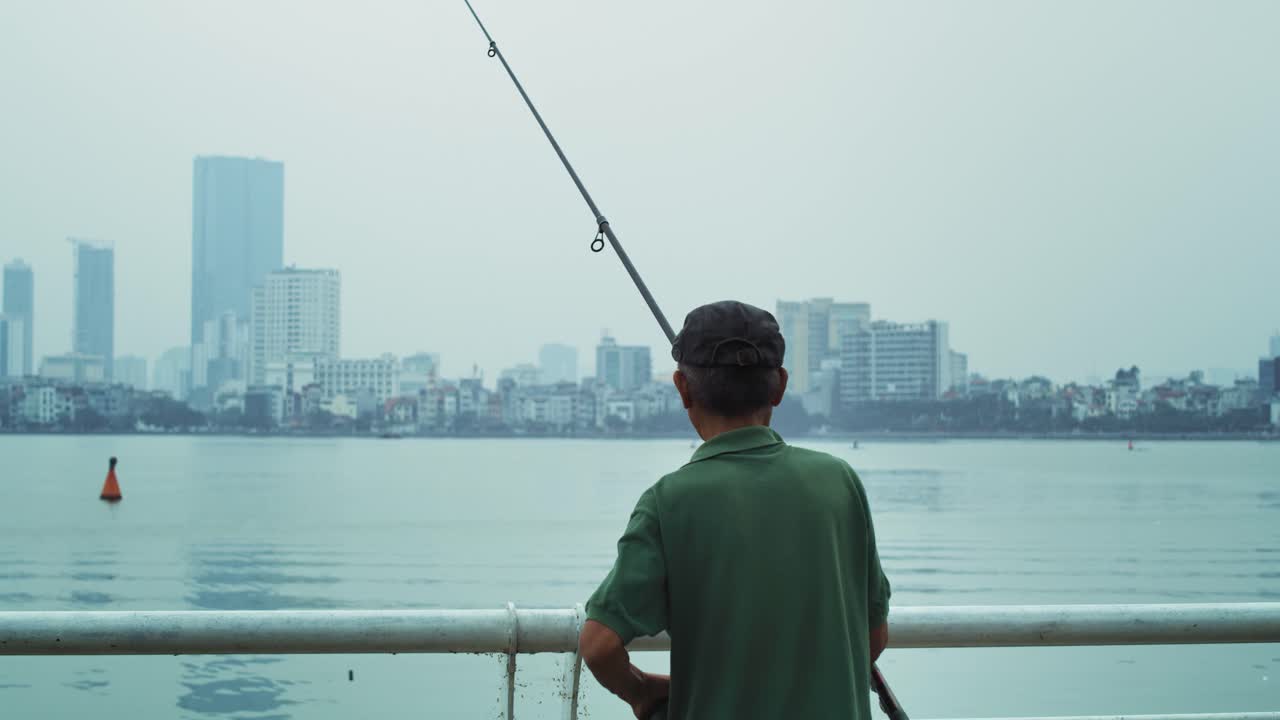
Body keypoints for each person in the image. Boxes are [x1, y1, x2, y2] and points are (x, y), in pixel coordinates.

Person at [579, 300, 892, 719]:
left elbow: (599, 646)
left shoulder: (668, 502)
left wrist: (639, 690)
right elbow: (873, 636)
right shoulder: (840, 482)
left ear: (682, 388)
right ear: (779, 386)